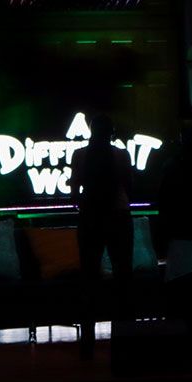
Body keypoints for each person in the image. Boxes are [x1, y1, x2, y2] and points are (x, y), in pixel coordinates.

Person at [69, 113, 135, 358]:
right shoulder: (122, 155)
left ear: (91, 130)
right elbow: (129, 188)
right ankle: (126, 340)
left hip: (90, 219)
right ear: (112, 131)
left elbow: (74, 192)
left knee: (89, 279)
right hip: (119, 218)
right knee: (123, 277)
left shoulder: (80, 155)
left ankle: (87, 345)